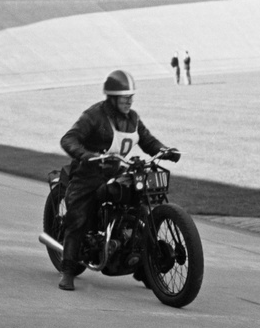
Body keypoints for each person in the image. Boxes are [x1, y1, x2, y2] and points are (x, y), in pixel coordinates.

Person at [57, 69, 179, 291]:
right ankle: (67, 270)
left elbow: (147, 140)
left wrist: (165, 150)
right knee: (79, 218)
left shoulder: (132, 118)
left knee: (139, 203)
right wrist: (88, 156)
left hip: (117, 170)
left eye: (131, 96)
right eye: (125, 97)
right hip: (89, 172)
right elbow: (69, 139)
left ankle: (143, 265)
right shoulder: (94, 116)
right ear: (113, 97)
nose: (130, 101)